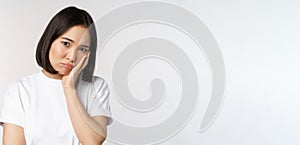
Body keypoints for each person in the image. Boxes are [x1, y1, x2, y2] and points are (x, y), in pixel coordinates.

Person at [0, 6, 112, 145]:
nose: (72, 57)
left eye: (82, 49)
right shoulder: (20, 91)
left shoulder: (96, 87)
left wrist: (69, 89)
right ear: (50, 40)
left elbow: (93, 142)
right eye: (66, 44)